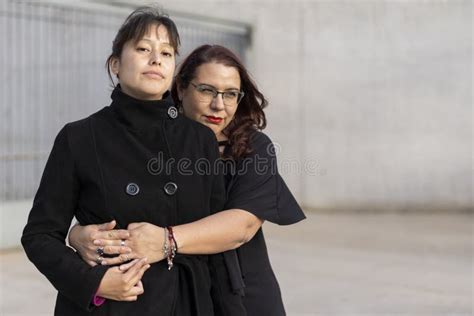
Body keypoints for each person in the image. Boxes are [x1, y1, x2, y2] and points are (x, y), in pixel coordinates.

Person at [69, 44, 306, 315]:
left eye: (230, 94)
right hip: (172, 294)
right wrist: (78, 233)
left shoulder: (253, 147)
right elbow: (118, 205)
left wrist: (165, 240)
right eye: (206, 90)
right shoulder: (149, 142)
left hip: (242, 294)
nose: (219, 105)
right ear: (181, 89)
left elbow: (242, 226)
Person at [21, 7, 225, 316]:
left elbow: (216, 239)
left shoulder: (200, 140)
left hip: (187, 303)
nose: (156, 58)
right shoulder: (79, 137)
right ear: (115, 64)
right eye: (143, 48)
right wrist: (95, 283)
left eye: (167, 53)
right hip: (112, 306)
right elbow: (39, 235)